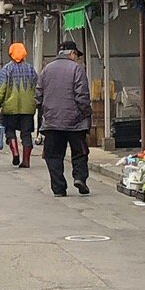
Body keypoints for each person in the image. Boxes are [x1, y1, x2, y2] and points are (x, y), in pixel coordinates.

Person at [35, 39, 94, 197]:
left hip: (52, 122)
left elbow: (38, 96)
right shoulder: (77, 69)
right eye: (77, 55)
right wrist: (86, 113)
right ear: (72, 54)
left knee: (53, 155)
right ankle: (80, 178)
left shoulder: (46, 69)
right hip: (75, 122)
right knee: (80, 152)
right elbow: (82, 95)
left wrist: (44, 115)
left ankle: (59, 188)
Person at [0, 41, 39, 168]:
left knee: (10, 130)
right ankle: (26, 161)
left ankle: (15, 153)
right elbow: (37, 87)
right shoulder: (30, 69)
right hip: (28, 109)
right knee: (26, 133)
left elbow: (1, 89)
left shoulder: (6, 69)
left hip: (10, 108)